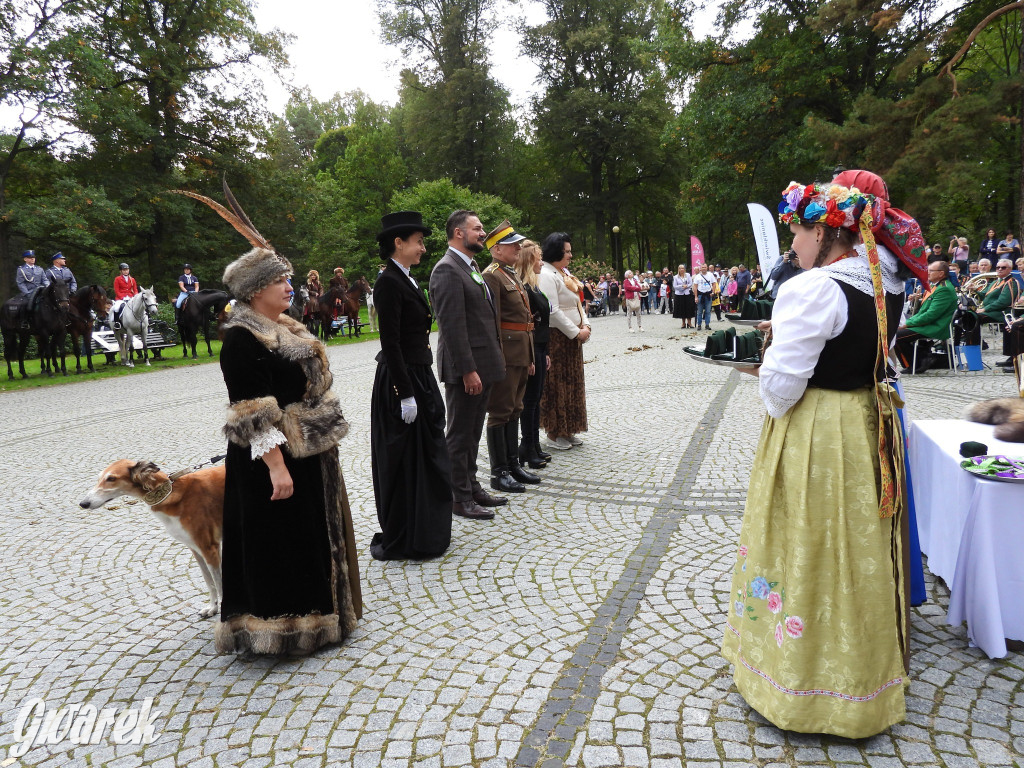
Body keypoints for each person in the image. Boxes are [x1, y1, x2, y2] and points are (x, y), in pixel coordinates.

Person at [722, 179, 909, 738]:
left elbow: (781, 391)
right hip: (866, 424)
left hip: (817, 432)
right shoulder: (886, 279)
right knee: (855, 545)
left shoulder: (812, 288)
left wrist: (765, 359)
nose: (793, 246)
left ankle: (798, 684)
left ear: (826, 232)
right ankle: (861, 677)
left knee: (804, 536)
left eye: (800, 232)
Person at [212, 229, 361, 655]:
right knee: (281, 540)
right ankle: (283, 630)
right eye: (280, 281)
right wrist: (276, 467)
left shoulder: (286, 327)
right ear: (257, 290)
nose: (289, 287)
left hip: (309, 451)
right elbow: (252, 412)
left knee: (313, 534)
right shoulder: (242, 339)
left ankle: (326, 616)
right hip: (272, 458)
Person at [369, 211, 453, 560]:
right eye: (417, 241)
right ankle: (409, 535)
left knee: (426, 454)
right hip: (402, 380)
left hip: (418, 373)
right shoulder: (388, 281)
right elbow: (391, 342)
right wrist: (405, 394)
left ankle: (427, 529)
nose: (422, 247)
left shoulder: (406, 278)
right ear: (398, 243)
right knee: (406, 459)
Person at [429, 210, 507, 520]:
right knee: (459, 434)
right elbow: (452, 326)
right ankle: (458, 497)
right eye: (477, 228)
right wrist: (468, 370)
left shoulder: (470, 266)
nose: (483, 233)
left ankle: (471, 486)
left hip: (482, 365)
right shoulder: (446, 270)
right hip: (467, 370)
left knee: (473, 431)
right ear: (459, 233)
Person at [482, 219, 541, 493]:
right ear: (496, 250)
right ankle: (499, 472)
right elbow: (492, 320)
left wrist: (529, 356)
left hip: (520, 350)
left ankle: (513, 464)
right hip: (506, 352)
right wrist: (497, 358)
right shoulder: (492, 275)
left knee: (515, 408)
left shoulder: (510, 273)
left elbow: (525, 317)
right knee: (500, 411)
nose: (518, 247)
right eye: (512, 244)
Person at [538, 232, 591, 451]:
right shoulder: (546, 274)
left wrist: (586, 325)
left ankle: (569, 429)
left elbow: (579, 303)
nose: (570, 255)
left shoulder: (564, 273)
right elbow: (552, 311)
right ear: (556, 251)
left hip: (572, 337)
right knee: (557, 384)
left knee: (572, 383)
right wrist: (575, 332)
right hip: (557, 338)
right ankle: (554, 431)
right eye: (567, 251)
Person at [516, 239, 552, 469]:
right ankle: (526, 447)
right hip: (531, 349)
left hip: (540, 348)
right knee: (529, 401)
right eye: (538, 258)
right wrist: (530, 356)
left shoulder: (535, 286)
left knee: (536, 399)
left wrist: (545, 352)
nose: (541, 262)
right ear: (529, 261)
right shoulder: (525, 289)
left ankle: (534, 445)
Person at [894, 261, 957, 373]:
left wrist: (907, 324)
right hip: (928, 323)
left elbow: (931, 315)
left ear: (941, 273)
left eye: (930, 271)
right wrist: (908, 322)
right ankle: (922, 358)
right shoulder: (936, 286)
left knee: (896, 336)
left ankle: (915, 364)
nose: (927, 273)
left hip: (935, 326)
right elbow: (924, 312)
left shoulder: (944, 289)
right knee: (895, 330)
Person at [693, 263, 716, 330]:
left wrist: (713, 292)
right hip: (700, 295)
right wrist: (696, 297)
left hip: (708, 295)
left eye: (705, 267)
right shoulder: (697, 276)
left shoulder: (710, 275)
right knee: (699, 311)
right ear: (700, 268)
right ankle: (699, 325)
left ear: (707, 268)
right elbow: (695, 287)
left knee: (708, 311)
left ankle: (707, 324)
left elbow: (714, 284)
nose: (704, 268)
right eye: (702, 267)